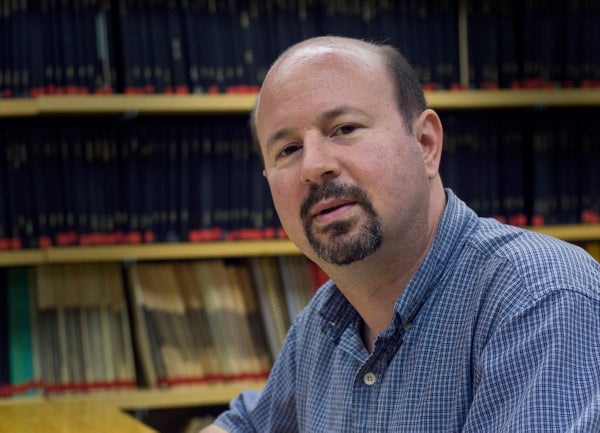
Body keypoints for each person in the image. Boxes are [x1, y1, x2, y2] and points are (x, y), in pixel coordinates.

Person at [202, 36, 600, 432]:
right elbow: (247, 426)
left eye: (344, 128)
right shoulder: (327, 320)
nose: (313, 166)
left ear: (426, 144)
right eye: (288, 150)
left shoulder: (538, 299)